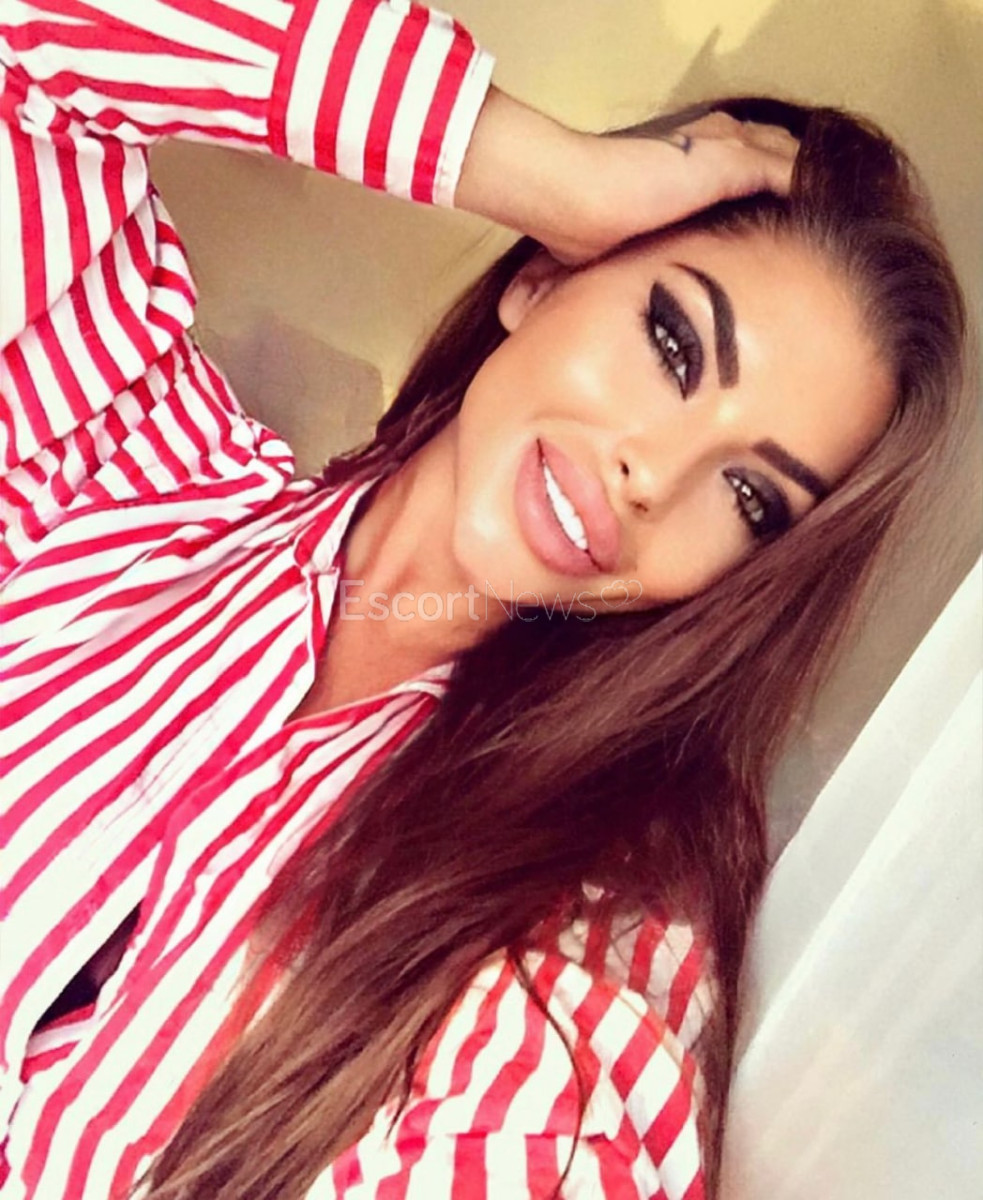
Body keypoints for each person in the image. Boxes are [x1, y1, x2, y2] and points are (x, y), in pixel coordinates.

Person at [0, 2, 966, 1199]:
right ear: (547, 272)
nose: (653, 475)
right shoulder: (122, 461)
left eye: (747, 496)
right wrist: (528, 161)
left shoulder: (582, 936)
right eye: (672, 345)